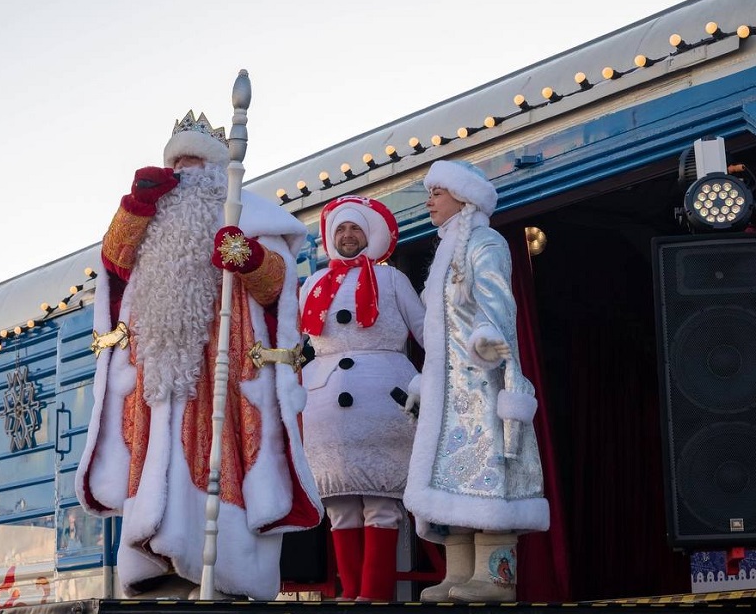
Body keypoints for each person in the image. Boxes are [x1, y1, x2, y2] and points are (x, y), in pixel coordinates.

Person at [74, 110, 323, 600]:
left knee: (220, 465)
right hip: (155, 378)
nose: (184, 173)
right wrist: (135, 206)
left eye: (194, 163)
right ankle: (156, 562)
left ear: (214, 169)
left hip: (223, 375)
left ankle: (224, 571)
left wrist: (245, 258)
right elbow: (114, 263)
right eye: (177, 164)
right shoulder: (150, 219)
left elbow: (276, 285)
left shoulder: (245, 215)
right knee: (153, 464)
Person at [402, 160, 549, 602]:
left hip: (483, 379)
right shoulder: (446, 249)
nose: (429, 201)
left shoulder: (485, 242)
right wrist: (424, 382)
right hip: (450, 389)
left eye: (437, 192)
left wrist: (487, 339)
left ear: (463, 198)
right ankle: (460, 573)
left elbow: (498, 305)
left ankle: (496, 578)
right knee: (453, 474)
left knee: (488, 469)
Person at [298, 195, 424, 601]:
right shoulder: (314, 284)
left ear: (368, 234)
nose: (348, 236)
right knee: (340, 509)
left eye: (355, 229)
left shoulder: (391, 280)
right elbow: (293, 343)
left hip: (383, 405)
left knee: (383, 506)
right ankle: (351, 595)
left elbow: (425, 332)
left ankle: (374, 596)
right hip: (326, 410)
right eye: (341, 230)